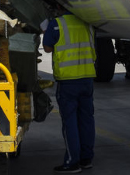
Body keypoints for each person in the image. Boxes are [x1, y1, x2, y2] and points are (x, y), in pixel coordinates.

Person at [43, 9, 97, 173]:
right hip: (87, 78)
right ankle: (86, 159)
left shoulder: (56, 24)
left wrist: (46, 30)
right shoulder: (87, 23)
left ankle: (72, 161)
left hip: (68, 81)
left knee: (70, 123)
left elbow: (47, 48)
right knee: (87, 120)